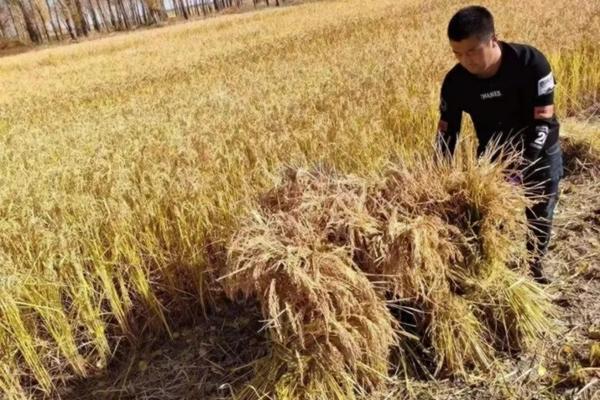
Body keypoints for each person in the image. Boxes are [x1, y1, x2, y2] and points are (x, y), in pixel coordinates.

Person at [436, 5, 563, 284]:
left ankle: (535, 266)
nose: (465, 60)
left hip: (539, 150)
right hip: (493, 156)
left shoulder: (530, 63)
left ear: (493, 39)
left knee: (540, 212)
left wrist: (520, 168)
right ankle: (497, 271)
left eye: (471, 51)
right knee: (492, 221)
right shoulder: (455, 83)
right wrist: (438, 175)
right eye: (457, 53)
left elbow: (542, 120)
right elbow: (447, 133)